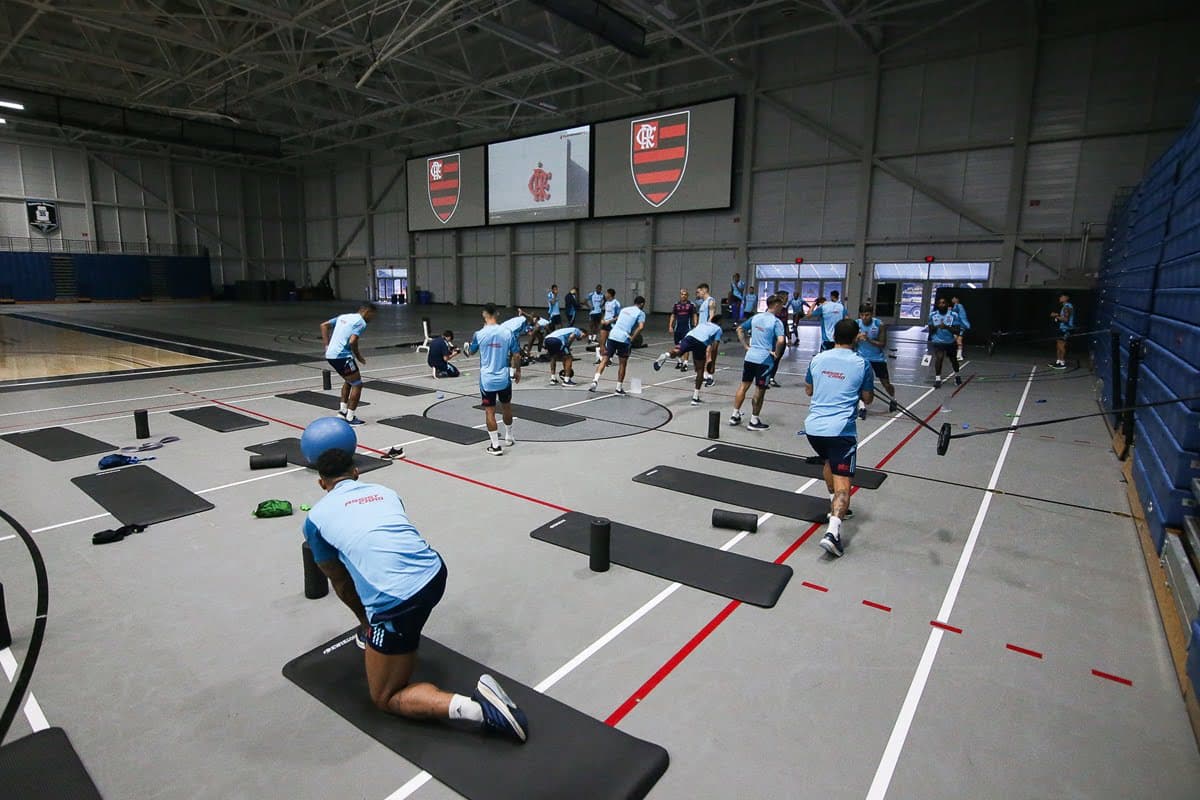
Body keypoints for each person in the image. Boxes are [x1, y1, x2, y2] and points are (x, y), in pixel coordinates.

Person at [302, 449, 527, 742]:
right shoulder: (386, 492)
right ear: (356, 472)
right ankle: (398, 639)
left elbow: (340, 581)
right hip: (435, 573)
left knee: (385, 696)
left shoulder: (315, 519)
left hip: (398, 602)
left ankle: (481, 710)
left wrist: (368, 624)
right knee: (405, 617)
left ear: (322, 483)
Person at [804, 318, 875, 558]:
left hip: (814, 429)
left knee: (829, 462)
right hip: (841, 431)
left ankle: (833, 506)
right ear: (856, 338)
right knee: (844, 484)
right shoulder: (862, 363)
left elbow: (809, 390)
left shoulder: (817, 358)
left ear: (834, 336)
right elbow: (868, 398)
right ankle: (833, 533)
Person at [465, 304, 521, 455]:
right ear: (497, 313)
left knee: (490, 412)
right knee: (507, 407)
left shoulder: (479, 334)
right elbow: (516, 355)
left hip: (487, 380)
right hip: (504, 378)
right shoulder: (508, 333)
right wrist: (517, 371)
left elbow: (471, 352)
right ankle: (509, 437)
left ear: (484, 314)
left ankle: (495, 446)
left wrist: (467, 348)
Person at [730, 295, 786, 430]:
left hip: (750, 357)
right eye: (781, 305)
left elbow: (739, 329)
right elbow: (781, 341)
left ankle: (734, 415)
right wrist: (777, 354)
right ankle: (754, 421)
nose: (782, 308)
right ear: (776, 305)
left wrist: (746, 346)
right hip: (764, 360)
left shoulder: (755, 317)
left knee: (744, 386)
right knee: (760, 390)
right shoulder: (776, 322)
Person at [321, 302, 376, 425]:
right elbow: (352, 341)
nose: (371, 319)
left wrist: (327, 345)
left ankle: (342, 411)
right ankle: (350, 417)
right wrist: (358, 356)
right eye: (372, 316)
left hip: (331, 355)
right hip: (342, 356)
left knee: (349, 380)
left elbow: (323, 325)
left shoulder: (343, 317)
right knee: (357, 384)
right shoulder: (361, 322)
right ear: (367, 312)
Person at [653, 315, 723, 405]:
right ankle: (695, 398)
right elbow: (714, 348)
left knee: (677, 352)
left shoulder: (703, 324)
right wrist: (712, 363)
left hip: (689, 337)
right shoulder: (718, 329)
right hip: (701, 343)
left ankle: (666, 355)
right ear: (719, 322)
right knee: (700, 370)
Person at [590, 297, 646, 395]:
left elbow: (617, 320)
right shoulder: (641, 313)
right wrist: (633, 338)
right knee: (622, 364)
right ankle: (618, 388)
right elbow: (641, 327)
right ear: (642, 304)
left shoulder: (624, 309)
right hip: (624, 339)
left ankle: (595, 380)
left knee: (604, 359)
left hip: (612, 335)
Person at [855, 304, 896, 417]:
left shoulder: (879, 325)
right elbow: (851, 342)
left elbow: (882, 344)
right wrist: (856, 339)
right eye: (862, 315)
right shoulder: (856, 324)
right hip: (862, 358)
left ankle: (893, 399)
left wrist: (868, 339)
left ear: (872, 314)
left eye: (867, 315)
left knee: (886, 384)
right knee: (860, 383)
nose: (864, 317)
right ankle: (862, 407)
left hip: (877, 358)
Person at [927, 296, 963, 388]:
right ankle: (937, 379)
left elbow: (957, 331)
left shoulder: (954, 315)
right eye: (939, 303)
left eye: (943, 303)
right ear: (937, 305)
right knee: (939, 358)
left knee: (953, 360)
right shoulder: (932, 315)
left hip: (950, 341)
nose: (941, 304)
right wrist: (937, 326)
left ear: (947, 304)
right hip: (937, 341)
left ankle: (957, 376)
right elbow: (930, 330)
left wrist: (946, 327)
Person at [669, 288, 697, 371]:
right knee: (677, 345)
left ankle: (685, 363)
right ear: (680, 295)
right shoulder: (676, 305)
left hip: (687, 329)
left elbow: (694, 315)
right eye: (682, 294)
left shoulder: (691, 305)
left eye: (685, 294)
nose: (683, 296)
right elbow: (673, 315)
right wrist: (670, 326)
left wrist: (695, 325)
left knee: (686, 346)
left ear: (687, 295)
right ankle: (679, 362)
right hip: (678, 328)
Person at [1050, 292, 1075, 369]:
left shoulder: (1067, 307)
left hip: (1065, 329)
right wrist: (1057, 315)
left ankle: (1062, 363)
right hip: (1062, 328)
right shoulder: (1065, 306)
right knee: (1058, 345)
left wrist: (1056, 316)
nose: (1060, 298)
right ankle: (1058, 361)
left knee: (1061, 346)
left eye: (1062, 296)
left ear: (1067, 298)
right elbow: (1064, 317)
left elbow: (1066, 319)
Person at [596, 289, 621, 364]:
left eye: (606, 293)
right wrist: (602, 319)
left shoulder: (616, 303)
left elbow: (618, 316)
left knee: (610, 342)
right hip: (605, 324)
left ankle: (609, 359)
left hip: (612, 325)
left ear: (610, 294)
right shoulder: (606, 303)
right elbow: (606, 313)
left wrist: (610, 321)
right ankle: (602, 358)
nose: (605, 294)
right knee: (602, 341)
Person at [950, 296, 969, 361]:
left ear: (957, 299)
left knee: (959, 341)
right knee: (955, 340)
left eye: (954, 298)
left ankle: (959, 356)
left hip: (961, 326)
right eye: (952, 298)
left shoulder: (959, 306)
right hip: (955, 326)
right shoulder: (954, 306)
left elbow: (961, 315)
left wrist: (951, 310)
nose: (952, 299)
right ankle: (956, 353)